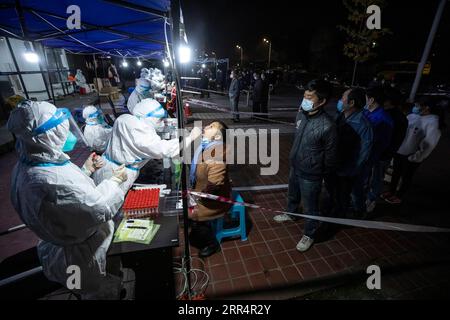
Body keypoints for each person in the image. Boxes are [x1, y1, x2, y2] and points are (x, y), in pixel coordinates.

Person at [7, 100, 128, 299]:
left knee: (84, 288)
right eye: (60, 131)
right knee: (94, 293)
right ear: (47, 136)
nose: (68, 135)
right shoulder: (46, 179)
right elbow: (97, 207)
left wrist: (86, 170)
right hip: (79, 256)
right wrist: (115, 181)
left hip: (65, 249)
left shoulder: (32, 165)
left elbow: (66, 200)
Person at [273, 79, 337, 252]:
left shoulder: (328, 125)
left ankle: (310, 233)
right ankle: (291, 213)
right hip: (295, 165)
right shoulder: (301, 114)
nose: (305, 100)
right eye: (304, 96)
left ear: (322, 101)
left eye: (309, 97)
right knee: (292, 193)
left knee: (310, 206)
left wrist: (320, 172)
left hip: (312, 174)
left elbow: (331, 157)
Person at [93, 98, 201, 193]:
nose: (162, 123)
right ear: (148, 118)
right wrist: (190, 137)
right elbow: (162, 149)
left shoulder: (125, 119)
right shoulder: (138, 131)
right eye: (159, 120)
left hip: (107, 167)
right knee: (111, 205)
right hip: (118, 176)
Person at [383, 97, 443, 204]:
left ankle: (399, 195)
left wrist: (416, 157)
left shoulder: (432, 123)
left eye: (417, 105)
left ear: (427, 107)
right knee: (396, 173)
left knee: (407, 176)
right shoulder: (412, 116)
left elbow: (429, 144)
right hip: (400, 152)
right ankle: (391, 191)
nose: (415, 108)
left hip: (411, 156)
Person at [188, 121, 231, 257]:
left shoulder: (217, 156)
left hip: (214, 199)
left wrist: (196, 197)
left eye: (211, 127)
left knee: (194, 218)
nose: (206, 127)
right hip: (201, 190)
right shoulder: (205, 146)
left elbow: (214, 187)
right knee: (188, 211)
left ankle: (212, 244)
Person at [329, 88, 373, 219]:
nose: (340, 100)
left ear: (352, 102)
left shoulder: (363, 125)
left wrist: (352, 170)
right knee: (335, 193)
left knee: (344, 195)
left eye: (343, 97)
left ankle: (346, 216)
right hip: (335, 166)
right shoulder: (340, 116)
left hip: (348, 170)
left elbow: (365, 152)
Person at [353, 86, 393, 214]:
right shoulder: (366, 112)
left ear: (371, 100)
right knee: (361, 180)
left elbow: (382, 142)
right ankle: (359, 200)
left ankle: (369, 201)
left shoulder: (384, 119)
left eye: (365, 98)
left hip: (372, 156)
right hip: (362, 154)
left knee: (371, 180)